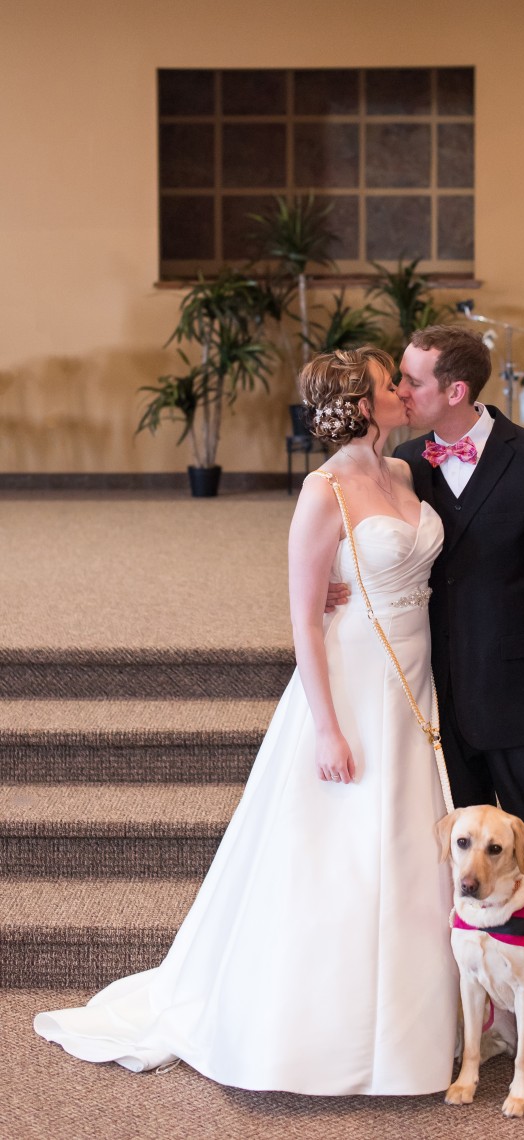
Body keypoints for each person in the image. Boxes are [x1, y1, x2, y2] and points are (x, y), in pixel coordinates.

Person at [34, 347, 459, 1096]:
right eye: (390, 383)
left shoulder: (401, 475)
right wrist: (326, 728)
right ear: (363, 403)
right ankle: (320, 1032)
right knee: (342, 848)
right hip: (353, 681)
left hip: (413, 679)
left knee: (404, 841)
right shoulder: (321, 490)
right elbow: (303, 621)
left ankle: (412, 1025)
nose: (401, 390)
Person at [392, 325, 524, 931]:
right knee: (465, 863)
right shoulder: (405, 464)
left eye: (412, 379)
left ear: (455, 389)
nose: (400, 390)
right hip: (437, 696)